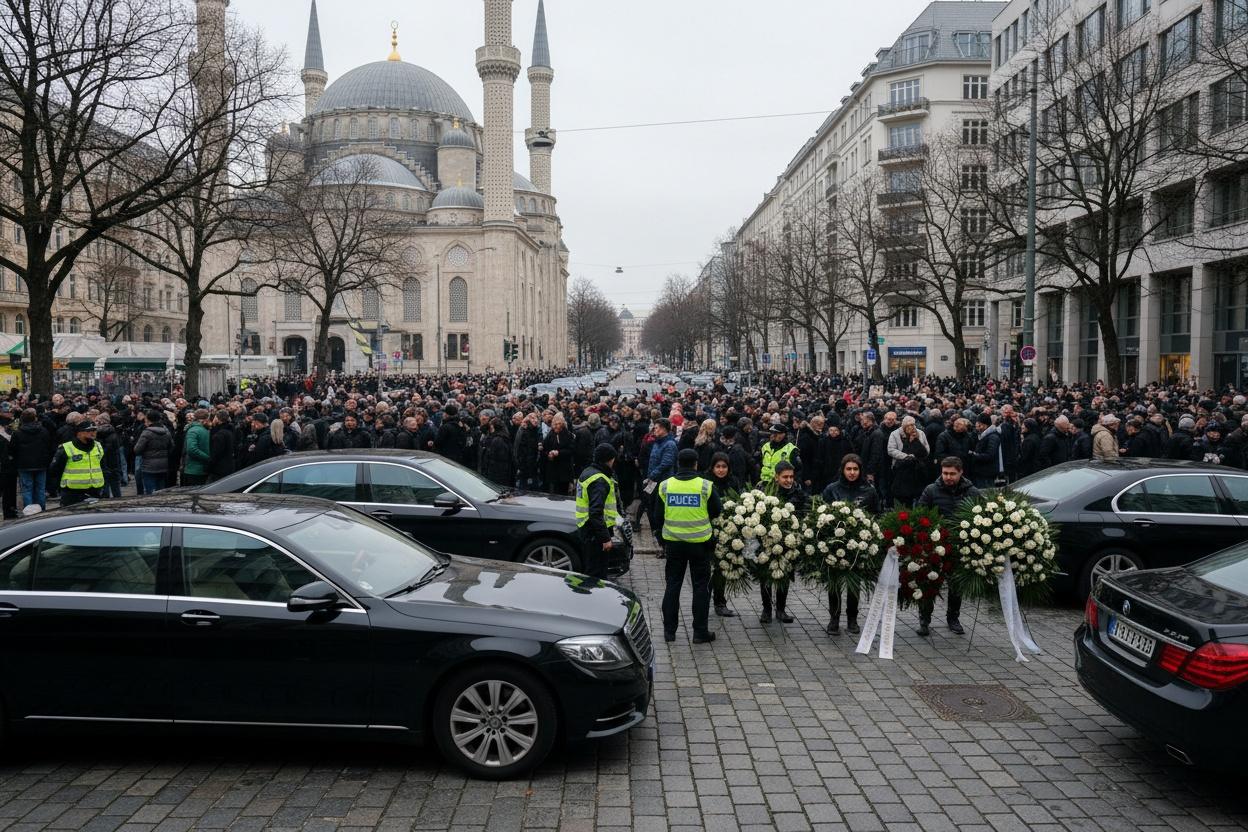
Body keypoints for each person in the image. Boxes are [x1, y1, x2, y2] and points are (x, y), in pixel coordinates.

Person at [659, 448, 722, 643]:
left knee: (672, 586)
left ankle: (669, 632)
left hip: (674, 544)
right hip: (700, 545)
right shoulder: (705, 486)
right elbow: (716, 510)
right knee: (701, 588)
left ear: (678, 463)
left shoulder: (665, 486)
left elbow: (656, 515)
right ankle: (699, 632)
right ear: (696, 464)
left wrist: (662, 539)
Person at [916, 456, 979, 636]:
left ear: (961, 473)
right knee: (929, 582)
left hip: (960, 546)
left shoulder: (972, 493)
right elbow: (920, 515)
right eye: (945, 473)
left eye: (952, 474)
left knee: (956, 585)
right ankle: (924, 619)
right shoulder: (931, 490)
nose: (948, 477)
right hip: (935, 545)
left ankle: (953, 618)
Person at [821, 453, 879, 635]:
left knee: (854, 583)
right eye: (849, 469)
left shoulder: (869, 490)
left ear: (860, 470)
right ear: (843, 470)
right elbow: (822, 514)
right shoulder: (832, 489)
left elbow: (877, 514)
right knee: (835, 582)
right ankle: (834, 619)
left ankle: (852, 619)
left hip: (859, 545)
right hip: (836, 544)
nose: (852, 472)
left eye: (855, 469)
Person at [759, 460, 808, 624]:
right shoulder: (766, 491)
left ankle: (781, 610)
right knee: (766, 574)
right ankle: (766, 610)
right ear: (776, 477)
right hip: (768, 540)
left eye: (791, 477)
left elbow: (804, 512)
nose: (788, 480)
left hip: (789, 541)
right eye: (785, 477)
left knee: (784, 574)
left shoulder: (798, 492)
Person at [574, 443, 620, 580]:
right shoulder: (600, 480)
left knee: (591, 569)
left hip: (587, 529)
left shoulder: (588, 471)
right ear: (609, 459)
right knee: (596, 574)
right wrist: (605, 538)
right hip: (595, 532)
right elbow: (595, 512)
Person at [707, 451, 740, 618]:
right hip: (708, 530)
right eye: (717, 467)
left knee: (721, 567)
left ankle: (720, 602)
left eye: (724, 467)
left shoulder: (733, 482)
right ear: (712, 468)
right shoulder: (706, 483)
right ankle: (708, 598)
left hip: (728, 530)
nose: (721, 470)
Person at [49, 421, 104, 505]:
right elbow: (54, 470)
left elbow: (103, 466)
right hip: (72, 492)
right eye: (89, 431)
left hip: (94, 490)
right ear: (79, 433)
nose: (93, 433)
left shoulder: (98, 446)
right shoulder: (66, 448)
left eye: (94, 430)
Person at [10, 408, 52, 511]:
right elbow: (49, 446)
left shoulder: (17, 433)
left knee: (27, 489)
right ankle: (41, 510)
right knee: (40, 489)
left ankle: (29, 512)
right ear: (35, 418)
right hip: (41, 464)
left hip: (24, 465)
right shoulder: (43, 431)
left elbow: (12, 449)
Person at [887, 416, 930, 507]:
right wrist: (906, 456)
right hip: (902, 469)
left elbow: (926, 449)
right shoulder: (895, 434)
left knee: (918, 494)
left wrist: (915, 453)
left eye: (912, 425)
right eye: (908, 425)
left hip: (918, 469)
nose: (911, 427)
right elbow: (891, 450)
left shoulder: (920, 433)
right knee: (903, 496)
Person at [133, 410, 172, 494]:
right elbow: (171, 446)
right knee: (160, 489)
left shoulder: (147, 433)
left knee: (150, 491)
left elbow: (137, 450)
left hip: (148, 466)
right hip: (163, 465)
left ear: (148, 419)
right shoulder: (166, 431)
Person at [757, 422, 799, 487]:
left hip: (781, 484)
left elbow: (797, 469)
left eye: (777, 433)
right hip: (764, 483)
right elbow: (762, 463)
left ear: (784, 434)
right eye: (773, 433)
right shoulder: (765, 446)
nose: (773, 435)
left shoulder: (791, 449)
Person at [181, 409, 212, 487]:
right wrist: (208, 458)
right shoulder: (195, 430)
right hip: (195, 470)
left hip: (195, 469)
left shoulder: (197, 429)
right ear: (206, 418)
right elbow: (191, 449)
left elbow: (192, 449)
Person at [95, 414, 124, 498]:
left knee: (105, 484)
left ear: (101, 421)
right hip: (113, 461)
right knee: (115, 486)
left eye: (97, 421)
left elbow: (104, 449)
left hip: (105, 461)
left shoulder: (99, 433)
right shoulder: (113, 431)